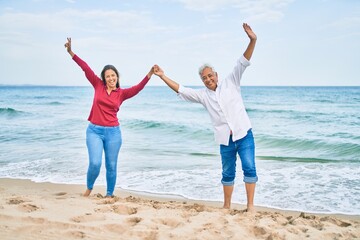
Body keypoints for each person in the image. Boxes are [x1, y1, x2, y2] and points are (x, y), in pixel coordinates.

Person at [153, 23, 258, 211]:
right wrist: (162, 76)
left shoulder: (231, 81)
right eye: (205, 78)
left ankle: (250, 206)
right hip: (225, 140)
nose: (208, 79)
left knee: (249, 168)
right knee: (227, 172)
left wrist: (252, 40)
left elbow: (243, 61)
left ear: (216, 75)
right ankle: (226, 206)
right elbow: (181, 90)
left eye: (210, 76)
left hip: (244, 134)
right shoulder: (202, 95)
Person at [64, 38, 154, 197]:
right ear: (104, 78)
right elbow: (85, 68)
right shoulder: (97, 85)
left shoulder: (122, 94)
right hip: (94, 131)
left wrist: (150, 74)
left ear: (117, 77)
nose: (111, 78)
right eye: (108, 76)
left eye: (113, 75)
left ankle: (109, 194)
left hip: (113, 133)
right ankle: (89, 188)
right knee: (95, 163)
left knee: (111, 165)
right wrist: (71, 52)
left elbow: (138, 88)